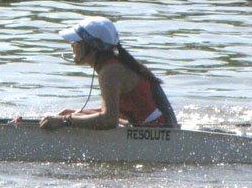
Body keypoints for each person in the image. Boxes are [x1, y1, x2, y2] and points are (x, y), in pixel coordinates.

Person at [40, 16, 176, 130]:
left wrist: (64, 121)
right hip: (149, 125)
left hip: (155, 133)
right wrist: (72, 115)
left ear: (93, 47)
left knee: (68, 117)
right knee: (70, 113)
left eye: (76, 43)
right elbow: (117, 113)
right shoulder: (113, 64)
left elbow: (109, 120)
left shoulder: (110, 71)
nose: (72, 47)